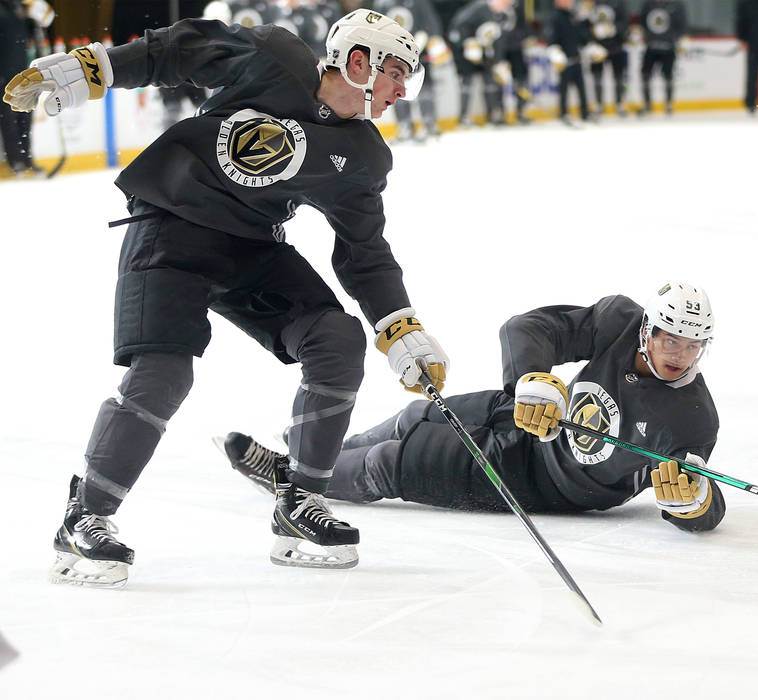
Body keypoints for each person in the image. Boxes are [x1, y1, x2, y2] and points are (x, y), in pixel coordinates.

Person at [3, 9, 450, 587]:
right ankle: (85, 516)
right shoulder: (274, 57)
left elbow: (363, 252)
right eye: (395, 73)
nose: (401, 90)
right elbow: (176, 50)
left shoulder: (362, 156)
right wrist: (88, 70)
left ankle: (301, 502)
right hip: (172, 225)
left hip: (251, 249)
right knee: (163, 375)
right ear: (358, 61)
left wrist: (400, 326)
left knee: (337, 338)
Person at [221, 282, 725, 533]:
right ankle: (316, 455)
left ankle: (292, 477)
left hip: (537, 481)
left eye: (692, 346)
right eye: (670, 341)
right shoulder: (617, 321)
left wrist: (694, 503)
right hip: (524, 417)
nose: (680, 356)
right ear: (647, 329)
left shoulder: (691, 415)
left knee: (390, 463)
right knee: (413, 418)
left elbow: (702, 493)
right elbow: (528, 329)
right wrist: (536, 379)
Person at [373, 0, 448, 141]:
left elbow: (431, 24)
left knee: (425, 88)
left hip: (419, 54)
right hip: (393, 56)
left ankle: (429, 123)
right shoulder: (382, 3)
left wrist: (430, 40)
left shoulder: (419, 2)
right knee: (396, 90)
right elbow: (377, 30)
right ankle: (404, 125)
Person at [0, 0, 51, 176]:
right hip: (4, 76)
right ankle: (16, 162)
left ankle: (27, 160)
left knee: (25, 118)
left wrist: (36, 14)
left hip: (24, 74)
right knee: (9, 122)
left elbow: (45, 22)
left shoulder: (22, 9)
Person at [448, 0, 512, 126]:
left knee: (491, 82)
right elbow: (459, 24)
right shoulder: (479, 8)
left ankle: (493, 114)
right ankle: (463, 117)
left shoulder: (502, 16)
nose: (507, 5)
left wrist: (498, 61)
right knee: (466, 83)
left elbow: (498, 40)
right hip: (467, 52)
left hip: (485, 54)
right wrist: (468, 42)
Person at [544, 0, 591, 126]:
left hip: (576, 58)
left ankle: (585, 113)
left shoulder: (574, 16)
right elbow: (551, 38)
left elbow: (582, 37)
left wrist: (585, 21)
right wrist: (555, 53)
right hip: (564, 60)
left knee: (581, 88)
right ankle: (563, 113)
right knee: (564, 88)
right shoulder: (555, 18)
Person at [638, 0, 686, 116]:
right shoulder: (649, 4)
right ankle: (647, 104)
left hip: (668, 48)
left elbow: (682, 26)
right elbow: (642, 23)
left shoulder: (677, 5)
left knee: (668, 75)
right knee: (645, 74)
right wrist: (643, 36)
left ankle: (669, 104)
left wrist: (680, 39)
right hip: (651, 47)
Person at [585, 0, 629, 117]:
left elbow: (625, 23)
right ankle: (598, 105)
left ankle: (620, 104)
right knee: (597, 78)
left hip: (616, 47)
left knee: (619, 77)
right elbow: (584, 25)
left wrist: (614, 29)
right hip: (597, 48)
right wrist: (591, 38)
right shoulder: (592, 3)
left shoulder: (619, 3)